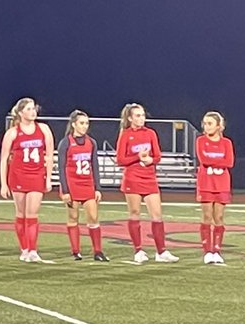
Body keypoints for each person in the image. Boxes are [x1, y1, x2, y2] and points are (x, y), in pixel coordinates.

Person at [116, 102, 178, 264]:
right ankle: (138, 250)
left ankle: (161, 251)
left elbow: (158, 156)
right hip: (132, 178)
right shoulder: (125, 134)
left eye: (143, 115)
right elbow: (120, 160)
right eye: (137, 115)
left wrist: (151, 160)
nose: (141, 118)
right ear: (130, 118)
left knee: (157, 215)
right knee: (135, 213)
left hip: (149, 178)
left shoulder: (150, 133)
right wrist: (138, 157)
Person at [0, 98, 54, 262]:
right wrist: (3, 184)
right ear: (21, 112)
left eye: (33, 108)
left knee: (32, 214)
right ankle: (24, 248)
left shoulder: (44, 129)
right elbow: (3, 159)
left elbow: (50, 155)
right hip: (18, 176)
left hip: (37, 175)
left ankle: (33, 249)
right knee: (21, 214)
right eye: (29, 109)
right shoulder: (13, 133)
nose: (33, 112)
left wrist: (49, 178)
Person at [57, 110, 108, 262]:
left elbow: (95, 165)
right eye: (81, 123)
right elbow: (61, 167)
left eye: (86, 123)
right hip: (72, 185)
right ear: (74, 124)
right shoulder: (66, 143)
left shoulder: (91, 142)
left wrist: (97, 188)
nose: (85, 126)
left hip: (87, 184)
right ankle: (75, 251)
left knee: (93, 217)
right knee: (73, 217)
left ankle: (98, 252)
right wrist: (65, 191)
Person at [195, 110, 235, 265]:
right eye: (205, 123)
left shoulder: (227, 143)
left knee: (218, 217)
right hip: (206, 183)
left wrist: (214, 163)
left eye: (210, 123)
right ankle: (207, 251)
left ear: (219, 126)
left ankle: (216, 251)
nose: (206, 126)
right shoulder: (200, 141)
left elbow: (229, 162)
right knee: (207, 217)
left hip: (222, 183)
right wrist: (218, 163)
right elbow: (203, 159)